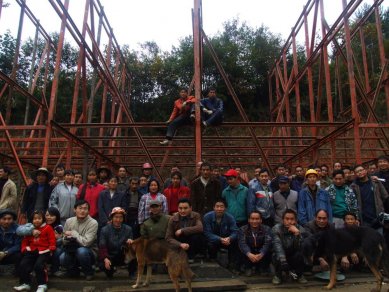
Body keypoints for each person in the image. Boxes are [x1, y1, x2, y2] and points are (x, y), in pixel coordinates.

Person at [14, 210, 56, 292]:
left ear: (43, 219)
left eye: (39, 218)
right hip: (32, 250)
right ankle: (26, 283)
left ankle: (42, 284)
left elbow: (52, 239)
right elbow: (25, 241)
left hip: (44, 251)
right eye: (35, 219)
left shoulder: (48, 228)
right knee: (23, 264)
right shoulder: (30, 229)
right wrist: (24, 248)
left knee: (38, 265)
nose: (37, 220)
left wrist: (51, 248)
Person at [17, 207, 64, 276]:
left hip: (52, 247)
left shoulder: (58, 227)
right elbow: (19, 230)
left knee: (56, 251)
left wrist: (51, 243)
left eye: (52, 215)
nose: (49, 217)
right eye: (47, 215)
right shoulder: (34, 225)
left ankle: (55, 270)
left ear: (57, 216)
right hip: (39, 247)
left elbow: (59, 241)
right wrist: (31, 231)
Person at [60, 200, 98, 280]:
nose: (82, 211)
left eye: (85, 209)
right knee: (62, 257)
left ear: (88, 211)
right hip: (71, 249)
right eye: (80, 208)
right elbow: (63, 238)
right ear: (74, 210)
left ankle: (89, 272)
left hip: (89, 251)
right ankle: (74, 271)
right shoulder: (69, 221)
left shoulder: (93, 223)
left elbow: (86, 243)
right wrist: (66, 239)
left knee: (81, 251)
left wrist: (74, 233)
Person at [272, 209, 308, 285]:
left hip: (293, 254)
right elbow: (277, 245)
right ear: (283, 220)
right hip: (281, 255)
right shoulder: (276, 228)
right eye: (287, 219)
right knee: (275, 255)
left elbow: (300, 247)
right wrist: (283, 260)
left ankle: (299, 275)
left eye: (292, 219)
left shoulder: (300, 229)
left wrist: (297, 234)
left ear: (296, 220)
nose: (289, 221)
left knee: (300, 255)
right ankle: (278, 275)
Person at [99, 207, 133, 278]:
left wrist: (130, 243)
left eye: (121, 217)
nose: (118, 220)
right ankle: (110, 271)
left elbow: (130, 247)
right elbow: (102, 246)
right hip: (110, 255)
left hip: (123, 255)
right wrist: (105, 258)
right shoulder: (104, 230)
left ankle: (132, 272)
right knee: (102, 265)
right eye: (116, 217)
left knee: (134, 254)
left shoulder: (128, 229)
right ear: (112, 218)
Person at [203, 199, 238, 268]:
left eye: (222, 207)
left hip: (226, 240)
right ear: (214, 207)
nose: (219, 209)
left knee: (235, 243)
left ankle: (232, 264)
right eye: (217, 206)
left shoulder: (230, 217)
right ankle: (212, 260)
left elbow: (235, 232)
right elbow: (207, 233)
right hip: (214, 240)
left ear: (225, 208)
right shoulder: (207, 217)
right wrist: (220, 239)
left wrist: (229, 238)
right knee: (208, 243)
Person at [351, 164, 388, 230]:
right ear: (355, 174)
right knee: (367, 239)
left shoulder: (375, 182)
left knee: (379, 238)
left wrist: (380, 207)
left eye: (361, 170)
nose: (359, 172)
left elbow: (385, 196)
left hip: (378, 216)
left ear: (365, 171)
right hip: (364, 218)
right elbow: (352, 203)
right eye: (357, 172)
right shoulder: (354, 186)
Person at [238, 211, 272, 277]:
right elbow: (242, 243)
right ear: (249, 220)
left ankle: (263, 268)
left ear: (261, 220)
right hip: (249, 252)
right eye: (252, 219)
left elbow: (268, 243)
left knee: (269, 249)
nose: (254, 221)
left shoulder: (267, 229)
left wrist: (262, 253)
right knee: (241, 249)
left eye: (257, 219)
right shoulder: (242, 229)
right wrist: (249, 254)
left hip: (261, 252)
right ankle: (248, 268)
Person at [0, 209, 21, 275]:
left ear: (13, 220)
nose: (6, 221)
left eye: (9, 219)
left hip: (9, 254)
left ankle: (18, 273)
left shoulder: (18, 229)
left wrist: (5, 253)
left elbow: (18, 245)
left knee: (20, 255)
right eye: (4, 219)